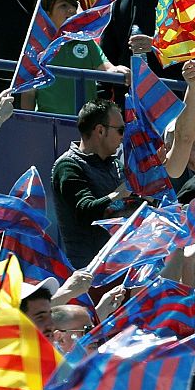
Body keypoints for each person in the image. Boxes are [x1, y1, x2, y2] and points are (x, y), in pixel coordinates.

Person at [49, 98, 136, 268]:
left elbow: (135, 207)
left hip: (120, 268)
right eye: (120, 130)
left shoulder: (115, 165)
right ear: (100, 131)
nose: (123, 136)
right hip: (88, 273)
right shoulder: (67, 165)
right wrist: (124, 190)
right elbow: (86, 211)